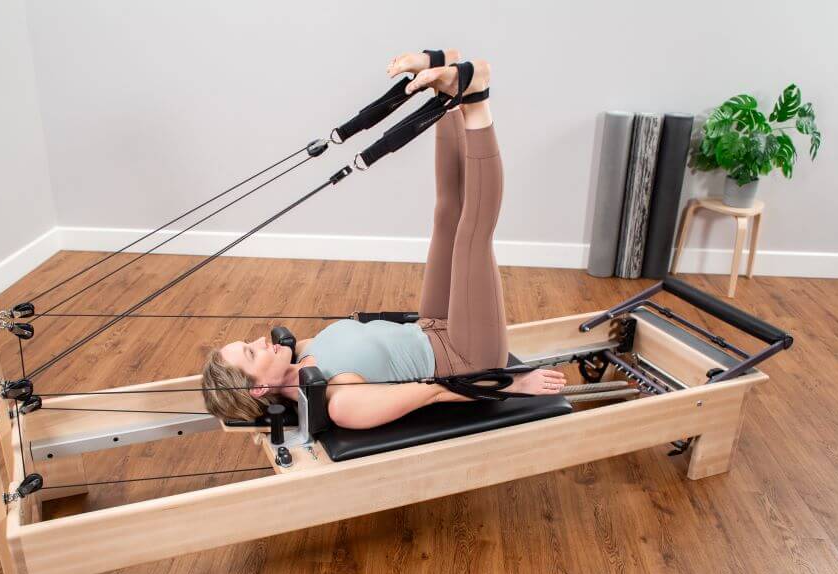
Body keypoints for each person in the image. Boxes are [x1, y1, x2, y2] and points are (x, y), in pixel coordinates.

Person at [202, 51, 566, 429]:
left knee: (446, 215)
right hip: (467, 357)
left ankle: (448, 96)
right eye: (251, 353)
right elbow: (433, 392)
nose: (260, 341)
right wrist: (512, 383)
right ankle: (476, 99)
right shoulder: (342, 402)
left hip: (430, 325)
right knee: (471, 235)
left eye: (249, 342)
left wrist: (288, 352)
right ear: (259, 388)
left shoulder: (305, 351)